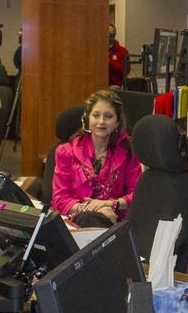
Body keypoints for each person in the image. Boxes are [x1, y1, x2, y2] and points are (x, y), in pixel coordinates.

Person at [50, 88, 142, 225]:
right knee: (89, 219)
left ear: (117, 122)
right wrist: (90, 209)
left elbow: (137, 194)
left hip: (112, 219)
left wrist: (111, 204)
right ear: (87, 119)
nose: (101, 121)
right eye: (96, 115)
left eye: (108, 116)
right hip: (73, 220)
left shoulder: (128, 152)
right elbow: (60, 198)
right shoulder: (66, 152)